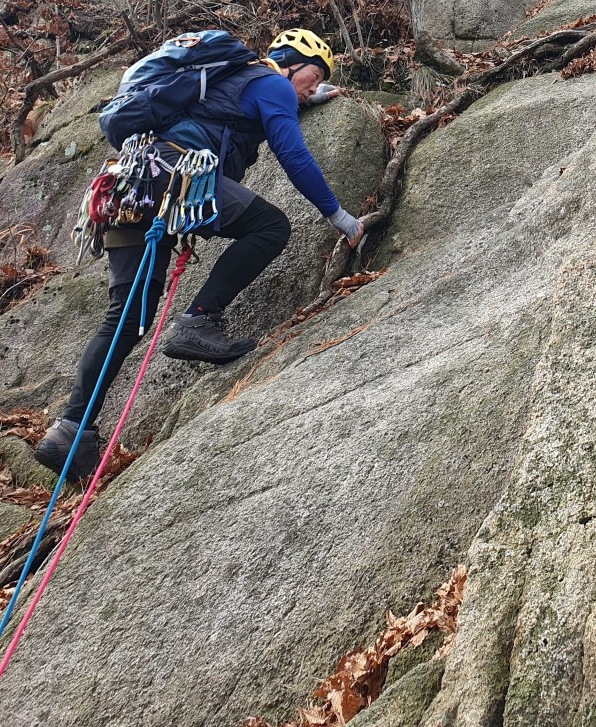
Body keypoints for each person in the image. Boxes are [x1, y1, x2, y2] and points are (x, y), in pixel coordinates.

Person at [34, 28, 364, 481]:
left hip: (130, 183)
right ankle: (198, 320)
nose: (315, 81)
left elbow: (238, 110)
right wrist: (340, 217)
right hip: (176, 178)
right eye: (314, 72)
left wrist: (305, 97)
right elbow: (293, 155)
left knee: (129, 314)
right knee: (271, 226)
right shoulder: (269, 84)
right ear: (288, 62)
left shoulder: (238, 81)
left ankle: (70, 430)